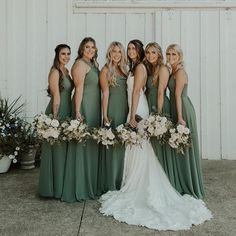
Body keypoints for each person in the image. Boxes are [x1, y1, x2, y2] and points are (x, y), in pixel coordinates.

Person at [99, 40, 212, 230]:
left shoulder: (143, 67)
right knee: (140, 146)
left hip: (140, 108)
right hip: (142, 106)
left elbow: (143, 92)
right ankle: (134, 179)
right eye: (129, 49)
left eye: (135, 48)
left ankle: (144, 183)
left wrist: (138, 115)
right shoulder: (138, 67)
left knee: (142, 146)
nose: (131, 51)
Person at [61, 37, 101, 202]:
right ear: (82, 49)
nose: (90, 49)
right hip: (84, 107)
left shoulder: (93, 64)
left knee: (90, 144)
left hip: (94, 108)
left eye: (93, 47)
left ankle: (90, 181)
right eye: (87, 47)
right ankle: (79, 185)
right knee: (81, 145)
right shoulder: (79, 64)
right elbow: (78, 90)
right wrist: (77, 111)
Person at [166, 44, 205, 199]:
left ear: (179, 56)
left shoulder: (180, 72)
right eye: (168, 54)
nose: (170, 57)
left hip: (183, 110)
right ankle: (180, 181)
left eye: (174, 55)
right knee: (177, 145)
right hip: (176, 108)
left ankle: (189, 183)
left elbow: (177, 95)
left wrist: (180, 117)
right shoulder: (172, 70)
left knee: (185, 146)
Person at [144, 42, 181, 192]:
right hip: (150, 105)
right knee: (153, 145)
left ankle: (167, 180)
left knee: (161, 143)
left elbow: (160, 92)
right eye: (147, 52)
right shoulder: (150, 68)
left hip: (160, 107)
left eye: (153, 52)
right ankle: (156, 179)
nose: (150, 55)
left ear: (159, 54)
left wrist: (158, 115)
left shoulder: (163, 69)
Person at [38, 44, 73, 198]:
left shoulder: (67, 71)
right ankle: (52, 189)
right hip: (56, 113)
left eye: (68, 54)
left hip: (67, 112)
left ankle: (60, 186)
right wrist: (55, 119)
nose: (66, 56)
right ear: (57, 55)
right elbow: (56, 97)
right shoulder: (55, 72)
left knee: (62, 151)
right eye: (63, 54)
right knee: (55, 151)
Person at [98, 41, 128, 193]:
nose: (116, 54)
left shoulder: (125, 70)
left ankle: (122, 179)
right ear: (109, 53)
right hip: (113, 109)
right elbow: (105, 93)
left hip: (125, 110)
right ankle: (111, 181)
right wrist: (105, 114)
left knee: (123, 143)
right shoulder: (105, 70)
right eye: (114, 51)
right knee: (113, 144)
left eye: (119, 52)